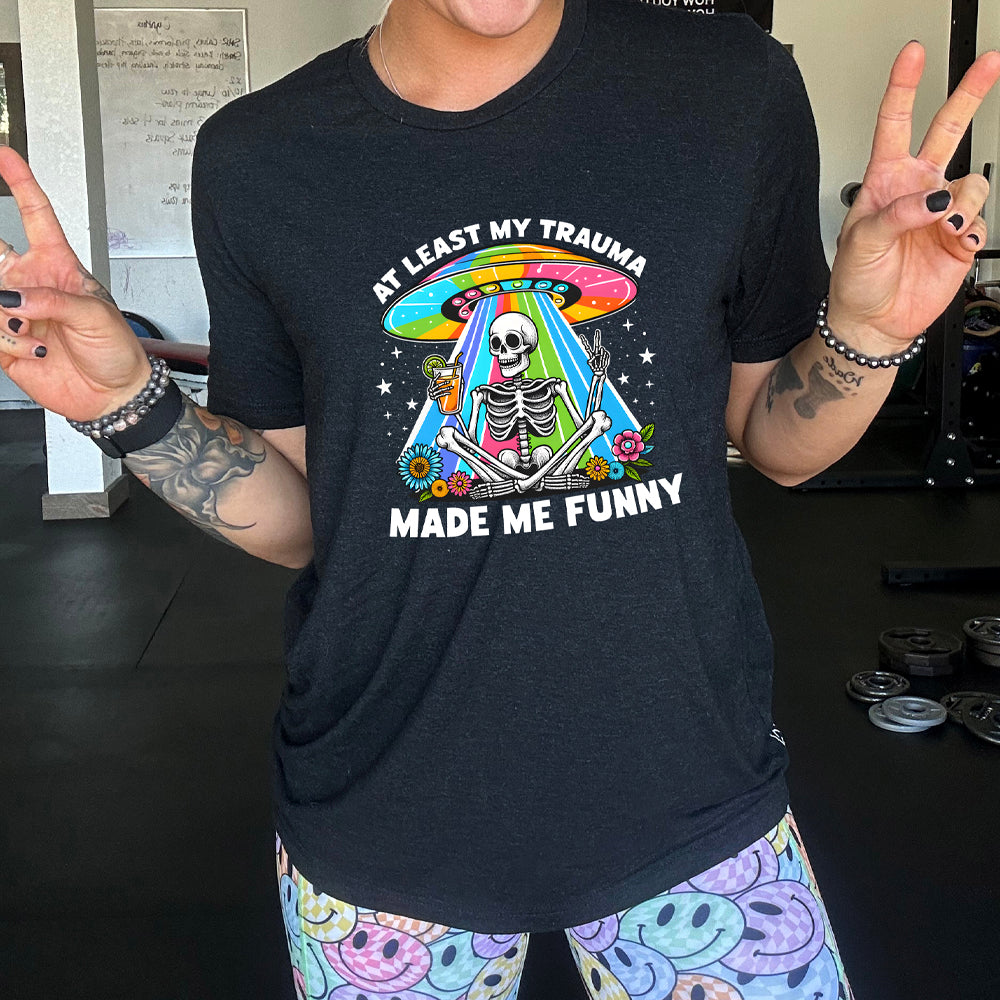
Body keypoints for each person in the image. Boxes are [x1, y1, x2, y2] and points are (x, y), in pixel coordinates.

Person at [1, 2, 997, 997]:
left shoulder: (730, 91)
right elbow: (308, 520)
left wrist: (869, 332)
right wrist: (130, 408)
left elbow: (779, 446)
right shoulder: (258, 157)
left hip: (693, 794)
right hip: (382, 809)